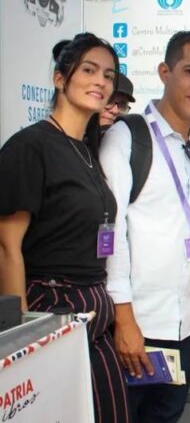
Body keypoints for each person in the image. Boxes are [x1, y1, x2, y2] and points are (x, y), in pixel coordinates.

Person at [0, 32, 130, 422]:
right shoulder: (30, 146)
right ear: (60, 78)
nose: (100, 81)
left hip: (95, 311)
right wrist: (22, 340)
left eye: (108, 75)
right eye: (89, 70)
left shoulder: (88, 149)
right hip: (50, 307)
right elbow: (7, 248)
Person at [100, 31, 190, 422]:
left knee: (166, 417)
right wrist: (124, 320)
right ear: (164, 72)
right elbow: (112, 234)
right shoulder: (127, 137)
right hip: (135, 325)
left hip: (182, 325)